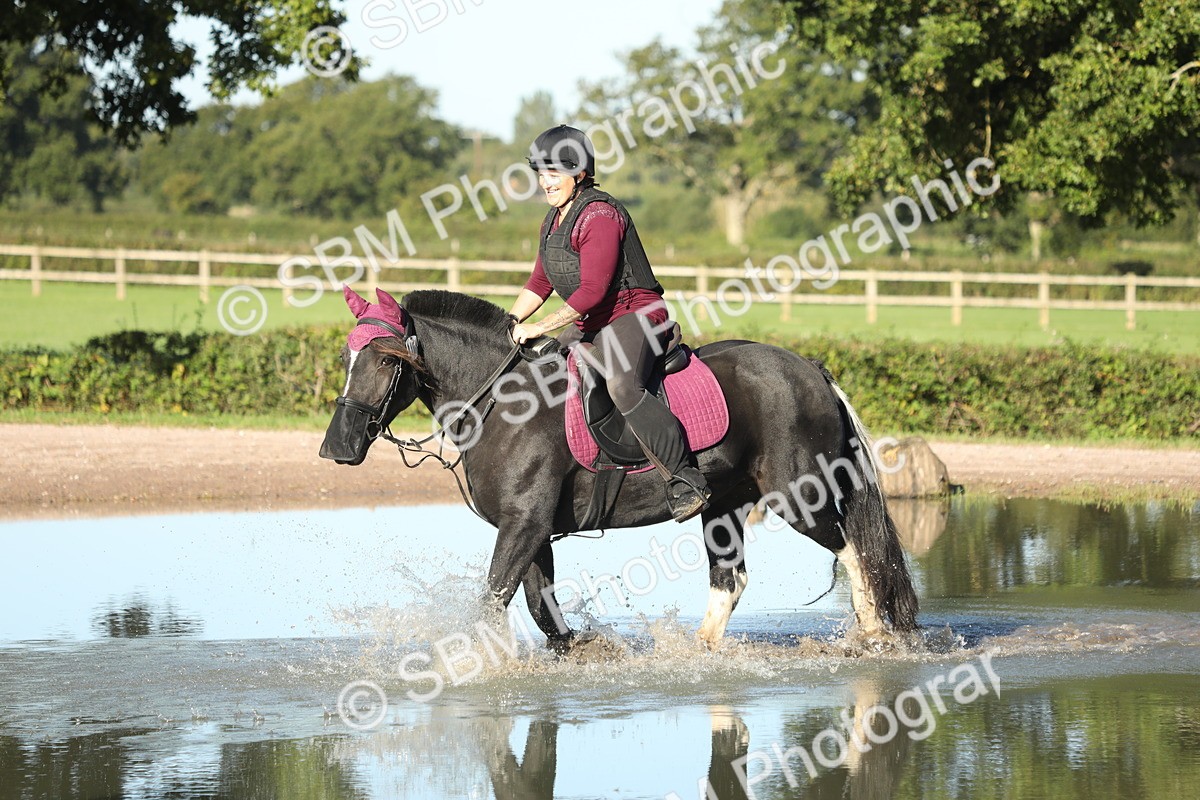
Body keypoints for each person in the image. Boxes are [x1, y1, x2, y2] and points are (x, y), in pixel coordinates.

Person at [508, 124, 711, 522]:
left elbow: (593, 292)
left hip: (635, 313)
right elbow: (540, 282)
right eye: (541, 173)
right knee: (546, 367)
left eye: (554, 173)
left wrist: (540, 326)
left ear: (580, 173)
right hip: (593, 321)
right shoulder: (553, 220)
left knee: (622, 384)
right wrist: (513, 320)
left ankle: (685, 478)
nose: (545, 182)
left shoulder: (600, 214)